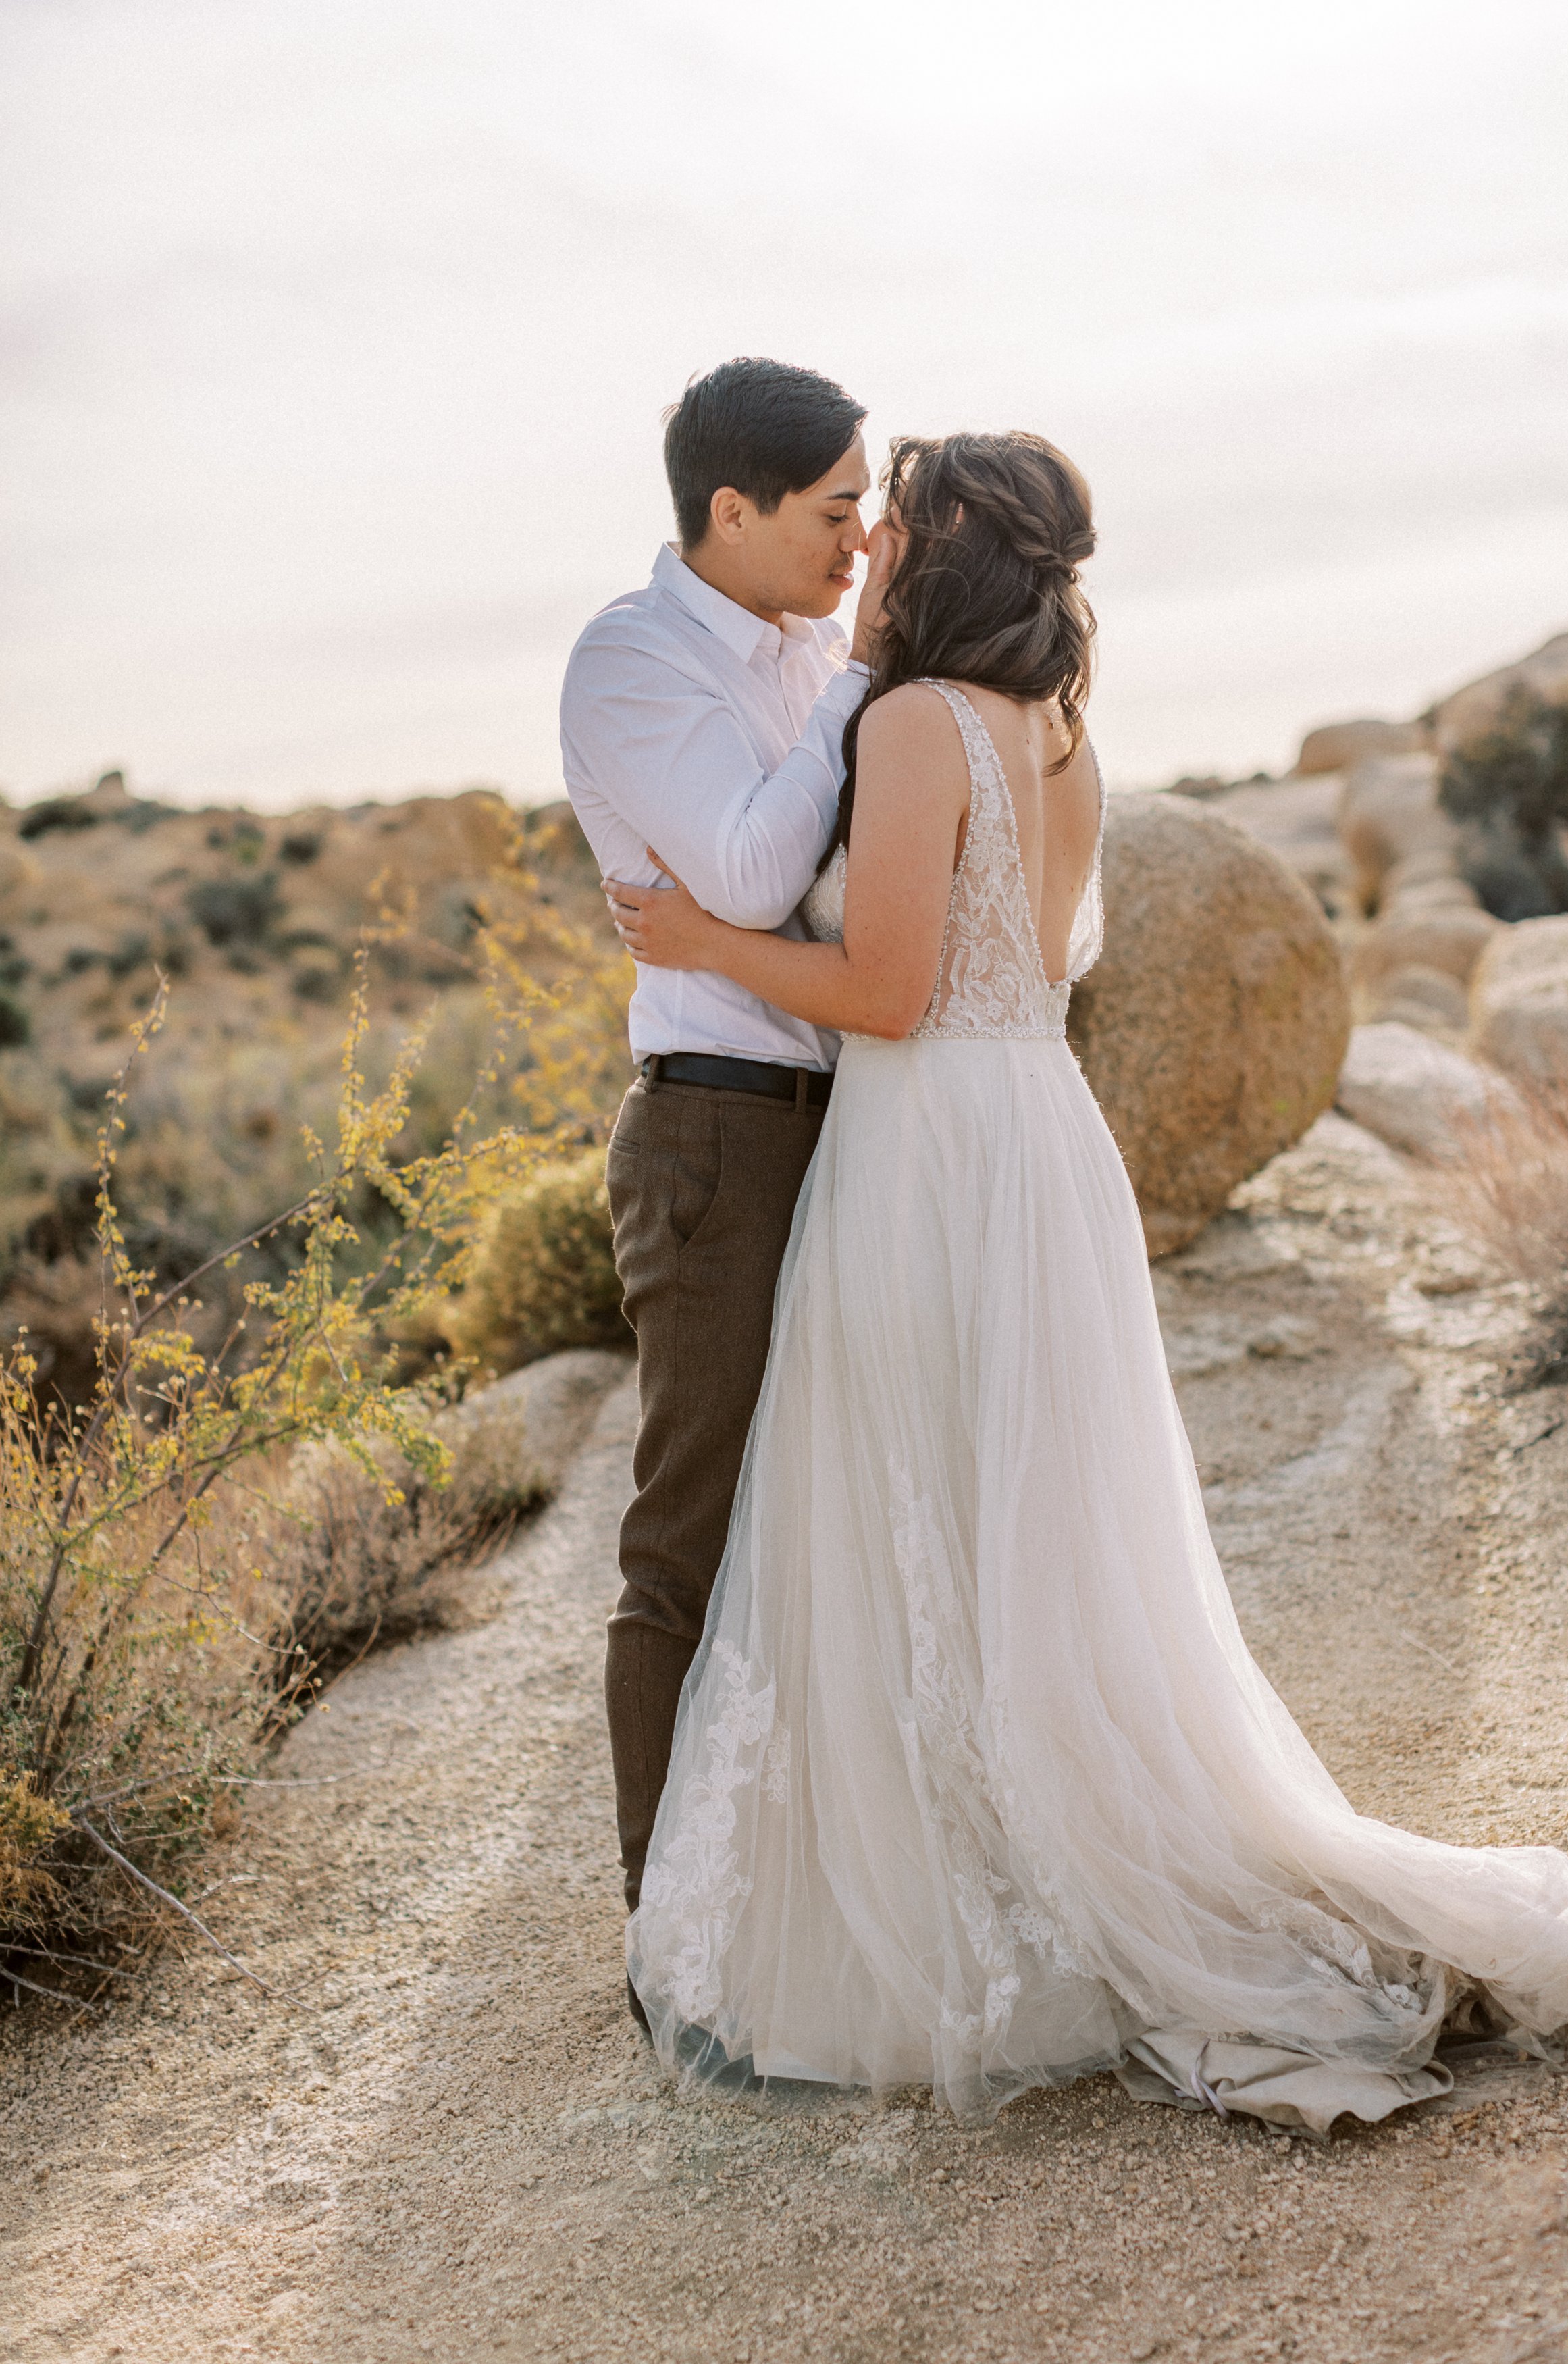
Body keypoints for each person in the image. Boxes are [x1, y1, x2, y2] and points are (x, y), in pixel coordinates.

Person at [602, 428, 1568, 2134]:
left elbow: (884, 987)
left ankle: (962, 1883)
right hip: (1037, 1141)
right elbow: (1016, 966)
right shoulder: (1057, 734)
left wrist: (701, 945)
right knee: (1030, 1524)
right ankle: (1037, 1830)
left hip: (928, 1153)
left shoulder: (904, 724)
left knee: (913, 1502)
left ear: (946, 551)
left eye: (897, 518)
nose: (869, 536)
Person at [559, 359, 898, 2026]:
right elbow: (757, 875)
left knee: (828, 1509)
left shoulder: (812, 649)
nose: (861, 543)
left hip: (841, 1113)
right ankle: (663, 1931)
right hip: (715, 1134)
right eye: (837, 512)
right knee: (687, 1531)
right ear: (732, 511)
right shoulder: (630, 664)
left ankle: (800, 1880)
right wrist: (860, 693)